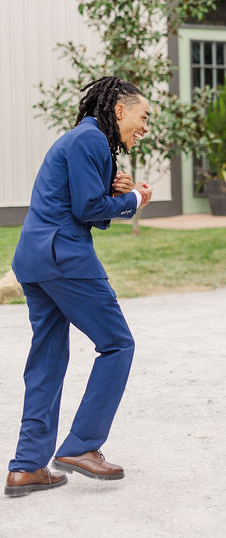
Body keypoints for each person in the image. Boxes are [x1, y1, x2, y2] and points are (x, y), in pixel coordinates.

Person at [6, 76, 153, 498]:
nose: (145, 128)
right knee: (117, 344)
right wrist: (135, 201)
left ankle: (27, 467)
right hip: (65, 257)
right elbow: (88, 209)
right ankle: (83, 446)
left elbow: (83, 198)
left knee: (47, 359)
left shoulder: (85, 140)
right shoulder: (91, 140)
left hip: (33, 259)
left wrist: (114, 188)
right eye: (143, 118)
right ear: (119, 110)